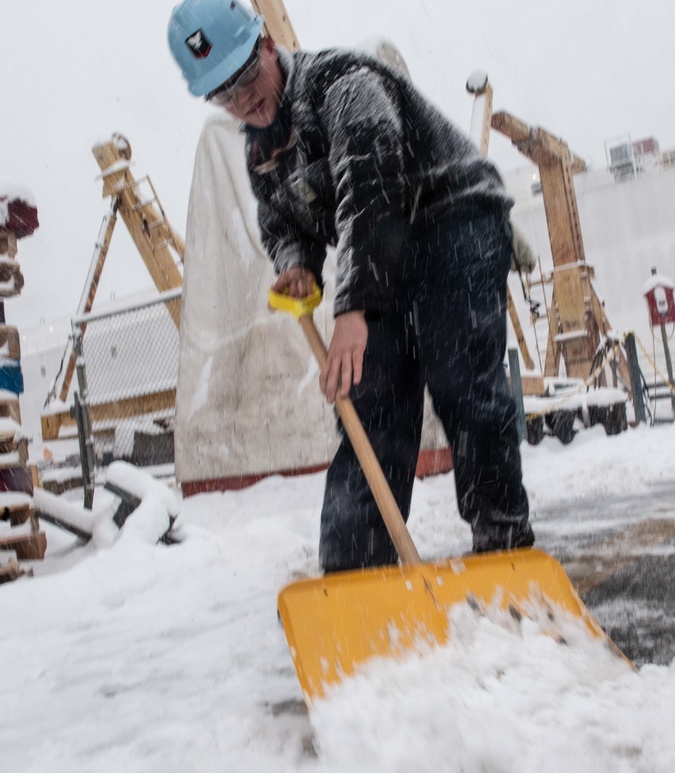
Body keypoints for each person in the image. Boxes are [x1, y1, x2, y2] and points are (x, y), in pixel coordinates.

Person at [167, 0, 534, 570]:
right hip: (385, 253)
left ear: (267, 44)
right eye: (222, 95)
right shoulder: (260, 148)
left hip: (454, 218)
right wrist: (297, 263)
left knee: (462, 380)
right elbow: (280, 221)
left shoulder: (344, 83)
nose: (242, 102)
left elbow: (371, 190)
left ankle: (504, 544)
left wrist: (354, 309)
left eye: (244, 78)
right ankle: (354, 568)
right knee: (371, 403)